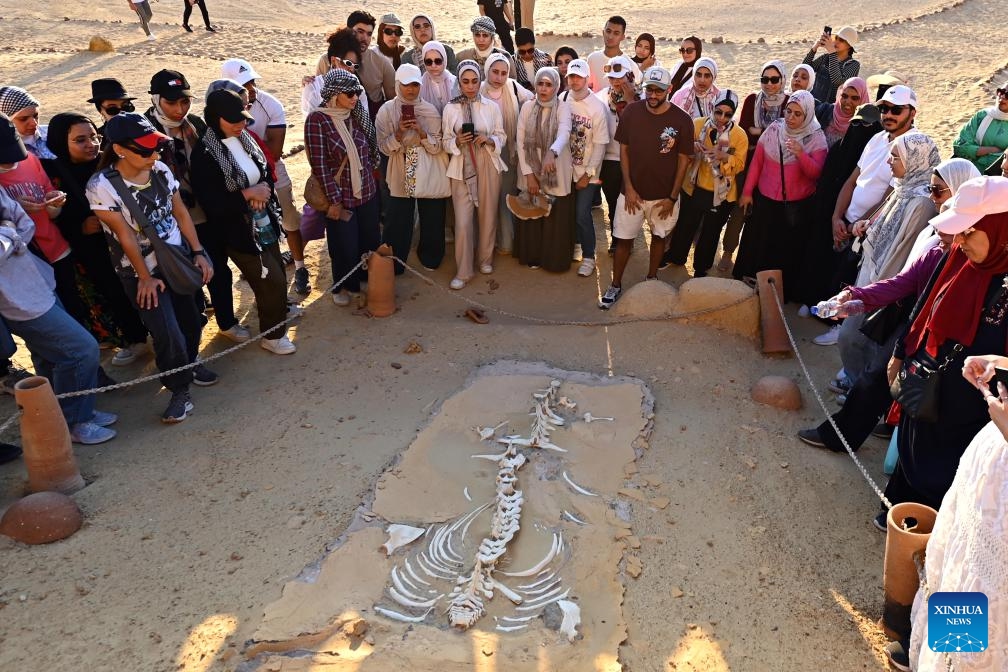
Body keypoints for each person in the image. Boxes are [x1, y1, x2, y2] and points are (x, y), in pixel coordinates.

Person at [797, 158, 981, 454]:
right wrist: (855, 297)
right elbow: (904, 281)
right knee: (879, 379)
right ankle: (846, 435)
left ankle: (855, 435)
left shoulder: (973, 255)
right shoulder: (937, 240)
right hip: (913, 323)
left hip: (937, 340)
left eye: (937, 191)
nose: (932, 200)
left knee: (880, 382)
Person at [877, 176, 1008, 531]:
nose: (959, 240)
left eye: (969, 231)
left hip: (976, 408)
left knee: (948, 477)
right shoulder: (959, 256)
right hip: (929, 381)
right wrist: (902, 353)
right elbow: (925, 304)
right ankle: (895, 510)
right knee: (912, 451)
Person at [85, 113, 216, 423]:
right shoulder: (101, 186)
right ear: (119, 149)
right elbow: (124, 235)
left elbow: (181, 213)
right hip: (139, 270)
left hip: (178, 257)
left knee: (190, 319)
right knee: (166, 331)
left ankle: (190, 360)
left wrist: (198, 252)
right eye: (144, 150)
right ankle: (179, 389)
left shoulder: (159, 169)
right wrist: (144, 277)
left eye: (155, 147)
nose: (154, 155)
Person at [902, 354, 1008, 671]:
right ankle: (945, 660)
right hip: (992, 471)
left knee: (989, 593)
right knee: (965, 574)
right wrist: (996, 365)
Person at [190, 89, 295, 355]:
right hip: (236, 231)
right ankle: (273, 336)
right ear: (215, 118)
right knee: (268, 279)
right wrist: (247, 195)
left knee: (278, 273)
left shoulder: (246, 137)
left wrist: (263, 191)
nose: (241, 124)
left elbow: (265, 170)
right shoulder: (204, 153)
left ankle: (277, 321)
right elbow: (211, 202)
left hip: (264, 220)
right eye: (233, 120)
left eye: (243, 118)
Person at [42, 112, 150, 365]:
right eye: (80, 140)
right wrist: (80, 226)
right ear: (61, 142)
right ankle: (136, 339)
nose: (91, 144)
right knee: (114, 293)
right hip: (93, 251)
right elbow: (53, 217)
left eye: (94, 136)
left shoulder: (110, 164)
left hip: (131, 241)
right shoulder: (53, 175)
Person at [816, 85, 919, 345]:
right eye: (884, 109)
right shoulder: (876, 139)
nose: (889, 115)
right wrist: (837, 217)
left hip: (874, 227)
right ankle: (833, 321)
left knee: (857, 279)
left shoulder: (912, 146)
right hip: (850, 220)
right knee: (838, 271)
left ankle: (842, 330)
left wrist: (859, 225)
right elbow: (854, 179)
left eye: (896, 110)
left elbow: (891, 194)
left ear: (912, 112)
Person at [836, 132, 940, 385]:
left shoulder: (921, 203)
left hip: (885, 282)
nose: (889, 162)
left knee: (856, 335)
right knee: (852, 334)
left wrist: (875, 292)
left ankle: (856, 385)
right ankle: (852, 379)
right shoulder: (902, 188)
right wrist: (865, 226)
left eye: (895, 157)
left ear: (914, 160)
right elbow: (884, 225)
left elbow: (902, 252)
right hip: (871, 271)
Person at [599, 66, 693, 309]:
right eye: (649, 89)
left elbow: (684, 160)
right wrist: (628, 187)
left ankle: (652, 278)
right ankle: (615, 284)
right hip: (632, 194)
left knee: (659, 237)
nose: (652, 95)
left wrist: (673, 197)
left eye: (659, 90)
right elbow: (624, 149)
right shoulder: (631, 111)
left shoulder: (683, 120)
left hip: (664, 196)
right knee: (622, 240)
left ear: (669, 90)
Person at [221, 58, 309, 297]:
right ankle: (261, 267)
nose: (249, 88)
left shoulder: (270, 104)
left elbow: (275, 150)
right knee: (251, 224)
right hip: (239, 175)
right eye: (242, 84)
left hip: (271, 169)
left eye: (250, 81)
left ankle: (300, 266)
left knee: (289, 216)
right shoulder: (221, 107)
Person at [733, 90, 828, 299]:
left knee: (784, 250)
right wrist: (748, 192)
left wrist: (801, 154)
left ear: (808, 115)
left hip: (793, 207)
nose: (791, 118)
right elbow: (757, 162)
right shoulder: (775, 128)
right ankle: (749, 286)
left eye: (797, 114)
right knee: (757, 244)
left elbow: (816, 174)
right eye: (789, 111)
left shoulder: (816, 138)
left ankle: (776, 294)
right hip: (764, 201)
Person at [305, 69, 380, 306]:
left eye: (357, 92)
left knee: (368, 239)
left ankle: (366, 279)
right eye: (349, 93)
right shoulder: (317, 120)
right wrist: (335, 200)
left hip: (366, 191)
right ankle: (343, 286)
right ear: (334, 93)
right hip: (340, 195)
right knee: (343, 245)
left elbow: (370, 148)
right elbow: (320, 165)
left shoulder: (356, 114)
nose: (355, 97)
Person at [664, 90, 747, 278]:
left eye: (728, 114)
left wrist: (724, 157)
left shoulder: (739, 135)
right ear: (713, 108)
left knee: (710, 233)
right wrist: (691, 148)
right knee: (685, 224)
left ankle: (701, 267)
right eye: (718, 112)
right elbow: (681, 151)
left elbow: (740, 165)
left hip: (721, 194)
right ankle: (676, 256)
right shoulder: (698, 124)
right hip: (694, 186)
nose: (722, 118)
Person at [717, 61, 788, 274]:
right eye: (764, 79)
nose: (769, 84)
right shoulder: (752, 100)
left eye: (774, 80)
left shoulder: (789, 103)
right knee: (740, 208)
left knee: (761, 215)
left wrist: (760, 131)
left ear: (782, 80)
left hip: (774, 168)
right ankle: (729, 252)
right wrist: (765, 132)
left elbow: (785, 135)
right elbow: (745, 133)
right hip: (747, 164)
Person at [376, 64, 448, 272]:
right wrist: (398, 134)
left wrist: (423, 134)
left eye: (415, 84)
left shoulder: (429, 110)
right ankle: (395, 263)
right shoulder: (387, 111)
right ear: (398, 84)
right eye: (406, 85)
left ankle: (431, 257)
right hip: (401, 164)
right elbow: (383, 147)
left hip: (426, 164)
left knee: (432, 213)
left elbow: (438, 146)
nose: (411, 90)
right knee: (398, 216)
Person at [441, 60, 506, 290]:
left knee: (488, 215)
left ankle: (485, 260)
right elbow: (445, 141)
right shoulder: (451, 108)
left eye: (474, 81)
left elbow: (501, 135)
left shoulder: (491, 107)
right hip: (460, 168)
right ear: (459, 82)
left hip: (487, 163)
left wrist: (488, 140)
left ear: (480, 81)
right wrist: (457, 141)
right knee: (463, 222)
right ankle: (464, 270)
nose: (470, 86)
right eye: (465, 81)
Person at [515, 67, 574, 272]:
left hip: (555, 167)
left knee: (554, 215)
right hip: (531, 165)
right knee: (533, 208)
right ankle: (533, 256)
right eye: (540, 83)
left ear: (556, 87)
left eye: (549, 85)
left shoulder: (563, 107)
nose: (544, 89)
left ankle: (553, 260)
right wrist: (529, 175)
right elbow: (520, 142)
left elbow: (565, 132)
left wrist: (552, 152)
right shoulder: (527, 107)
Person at [480, 53, 533, 255]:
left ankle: (506, 243)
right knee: (487, 197)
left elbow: (532, 100)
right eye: (495, 72)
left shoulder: (512, 87)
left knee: (505, 196)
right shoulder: (479, 90)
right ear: (487, 71)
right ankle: (487, 241)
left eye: (503, 73)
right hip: (486, 152)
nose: (499, 77)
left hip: (509, 152)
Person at [560, 58, 609, 277]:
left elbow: (600, 144)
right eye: (571, 76)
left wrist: (587, 175)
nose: (575, 81)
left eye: (579, 77)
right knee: (568, 212)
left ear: (587, 78)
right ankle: (576, 245)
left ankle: (589, 257)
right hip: (565, 170)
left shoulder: (597, 107)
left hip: (587, 173)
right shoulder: (562, 99)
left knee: (582, 214)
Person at [595, 55, 640, 253]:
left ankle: (627, 239)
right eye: (612, 77)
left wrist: (630, 101)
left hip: (634, 160)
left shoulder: (643, 98)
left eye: (620, 77)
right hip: (609, 159)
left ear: (630, 75)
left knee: (630, 201)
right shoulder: (601, 96)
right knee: (613, 201)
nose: (615, 81)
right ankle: (617, 240)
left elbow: (640, 126)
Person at [305, 29, 371, 119]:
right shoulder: (314, 87)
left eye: (355, 66)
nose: (351, 69)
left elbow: (362, 125)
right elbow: (309, 123)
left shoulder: (359, 90)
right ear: (333, 61)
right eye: (347, 63)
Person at [347, 10, 396, 120]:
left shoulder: (382, 63)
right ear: (347, 30)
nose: (365, 38)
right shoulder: (329, 60)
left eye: (369, 34)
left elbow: (393, 103)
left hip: (370, 128)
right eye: (360, 31)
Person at [952, 83, 1008, 175]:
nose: (1002, 96)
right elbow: (959, 147)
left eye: (1007, 95)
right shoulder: (982, 115)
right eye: (1000, 92)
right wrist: (993, 150)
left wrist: (976, 151)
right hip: (969, 171)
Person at [803, 25, 861, 103]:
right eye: (836, 38)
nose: (836, 42)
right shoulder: (825, 58)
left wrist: (831, 52)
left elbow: (837, 81)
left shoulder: (853, 65)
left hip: (831, 110)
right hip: (813, 104)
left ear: (849, 45)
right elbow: (804, 70)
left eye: (841, 40)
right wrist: (814, 48)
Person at [586, 16, 640, 92]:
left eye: (616, 33)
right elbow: (587, 87)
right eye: (608, 31)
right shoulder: (592, 59)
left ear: (622, 37)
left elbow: (636, 94)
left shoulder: (630, 65)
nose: (611, 36)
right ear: (603, 32)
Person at [0, 86, 55, 160]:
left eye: (36, 115)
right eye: (23, 119)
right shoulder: (4, 151)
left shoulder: (53, 133)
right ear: (5, 120)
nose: (34, 123)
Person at [816, 76, 868, 147]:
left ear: (863, 99)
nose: (848, 101)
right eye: (844, 96)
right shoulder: (826, 111)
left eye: (854, 98)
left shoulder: (866, 126)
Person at [88, 78, 137, 150]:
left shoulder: (146, 128)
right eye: (113, 109)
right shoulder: (98, 142)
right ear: (101, 111)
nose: (122, 113)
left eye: (126, 107)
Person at [418, 41, 458, 114]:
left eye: (438, 61)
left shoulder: (455, 83)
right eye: (429, 62)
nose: (433, 66)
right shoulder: (419, 85)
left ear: (444, 61)